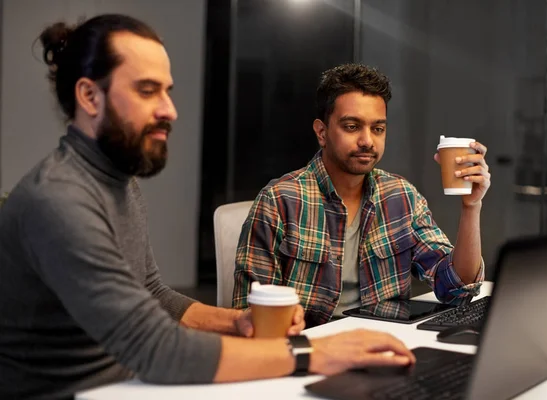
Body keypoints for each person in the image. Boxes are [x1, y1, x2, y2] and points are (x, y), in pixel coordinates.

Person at [0, 15, 415, 399]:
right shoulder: (59, 200)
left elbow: (155, 294)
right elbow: (158, 350)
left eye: (167, 91)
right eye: (147, 90)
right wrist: (317, 353)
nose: (169, 109)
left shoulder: (116, 182)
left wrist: (236, 323)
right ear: (89, 96)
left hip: (130, 384)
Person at [233, 63, 491, 327]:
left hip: (386, 348)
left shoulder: (401, 197)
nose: (367, 140)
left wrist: (471, 206)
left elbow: (456, 287)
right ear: (322, 132)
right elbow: (250, 318)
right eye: (352, 126)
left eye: (377, 129)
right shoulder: (280, 201)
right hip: (313, 352)